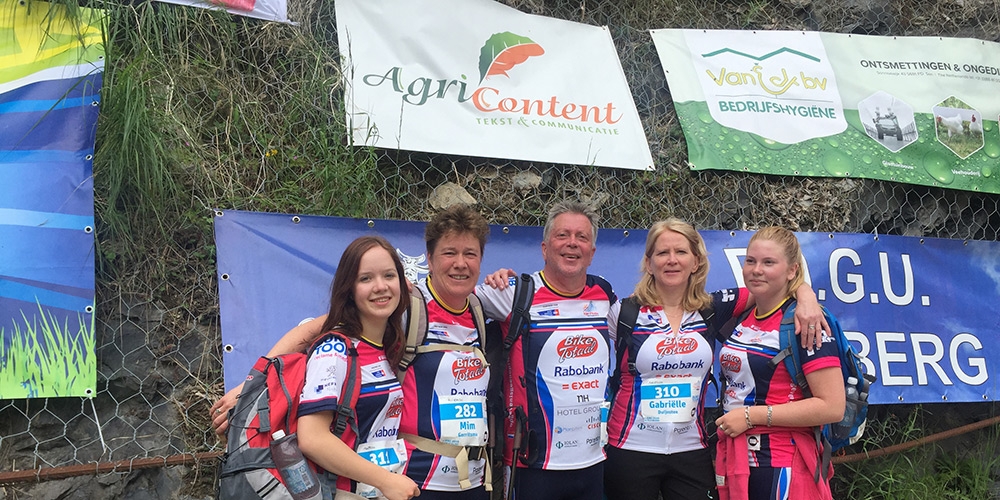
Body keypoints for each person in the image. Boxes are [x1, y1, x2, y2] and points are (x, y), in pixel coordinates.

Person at [212, 206, 495, 498]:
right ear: (430, 259)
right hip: (413, 479)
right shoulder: (404, 307)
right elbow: (315, 331)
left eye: (470, 254)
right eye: (450, 253)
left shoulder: (482, 308)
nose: (460, 263)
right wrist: (253, 384)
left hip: (461, 481)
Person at [603, 219, 827, 500]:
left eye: (681, 252)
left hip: (690, 450)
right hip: (630, 447)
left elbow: (771, 287)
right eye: (662, 253)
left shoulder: (711, 308)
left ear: (696, 261)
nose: (672, 261)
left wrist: (807, 296)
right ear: (649, 263)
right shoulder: (623, 313)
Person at [476, 201, 617, 500]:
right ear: (544, 248)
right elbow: (450, 297)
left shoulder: (603, 294)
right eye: (562, 235)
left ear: (592, 253)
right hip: (533, 461)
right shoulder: (514, 293)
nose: (572, 243)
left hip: (593, 459)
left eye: (582, 237)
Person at [714, 227, 845, 500]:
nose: (756, 270)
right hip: (738, 457)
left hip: (782, 460)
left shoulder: (807, 322)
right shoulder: (744, 312)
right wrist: (805, 292)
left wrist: (751, 417)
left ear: (792, 270)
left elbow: (832, 406)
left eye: (768, 262)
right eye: (751, 261)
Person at [295, 235, 420, 500]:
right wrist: (385, 480)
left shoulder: (385, 347)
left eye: (389, 276)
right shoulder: (335, 350)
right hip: (342, 493)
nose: (380, 287)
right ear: (349, 288)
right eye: (365, 279)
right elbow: (312, 438)